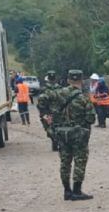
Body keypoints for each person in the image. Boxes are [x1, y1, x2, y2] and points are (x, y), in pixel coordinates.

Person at [40, 70, 96, 201]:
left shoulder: (57, 94)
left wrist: (47, 121)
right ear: (81, 81)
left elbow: (42, 102)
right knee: (80, 161)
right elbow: (91, 118)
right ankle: (77, 190)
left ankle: (67, 191)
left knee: (65, 162)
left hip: (62, 133)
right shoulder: (83, 97)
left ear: (68, 80)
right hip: (79, 134)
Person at [39, 70, 61, 151]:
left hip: (48, 113)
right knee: (59, 126)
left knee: (48, 127)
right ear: (55, 79)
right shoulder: (61, 89)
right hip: (59, 112)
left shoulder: (44, 89)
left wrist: (42, 113)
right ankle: (57, 139)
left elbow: (41, 103)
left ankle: (54, 139)